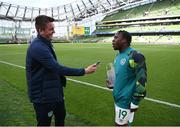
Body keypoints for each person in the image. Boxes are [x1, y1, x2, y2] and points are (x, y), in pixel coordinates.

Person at [25, 15, 97, 126]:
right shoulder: (37, 47)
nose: (54, 31)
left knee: (60, 119)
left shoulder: (46, 43)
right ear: (40, 30)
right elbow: (57, 68)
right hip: (43, 97)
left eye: (53, 28)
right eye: (51, 29)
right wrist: (84, 71)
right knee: (44, 124)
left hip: (55, 93)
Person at [107, 30, 147, 126]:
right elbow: (123, 76)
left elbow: (142, 80)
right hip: (118, 98)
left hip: (126, 101)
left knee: (121, 125)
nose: (113, 40)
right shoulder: (118, 56)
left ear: (124, 40)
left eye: (116, 38)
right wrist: (112, 84)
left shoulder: (135, 56)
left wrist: (135, 101)